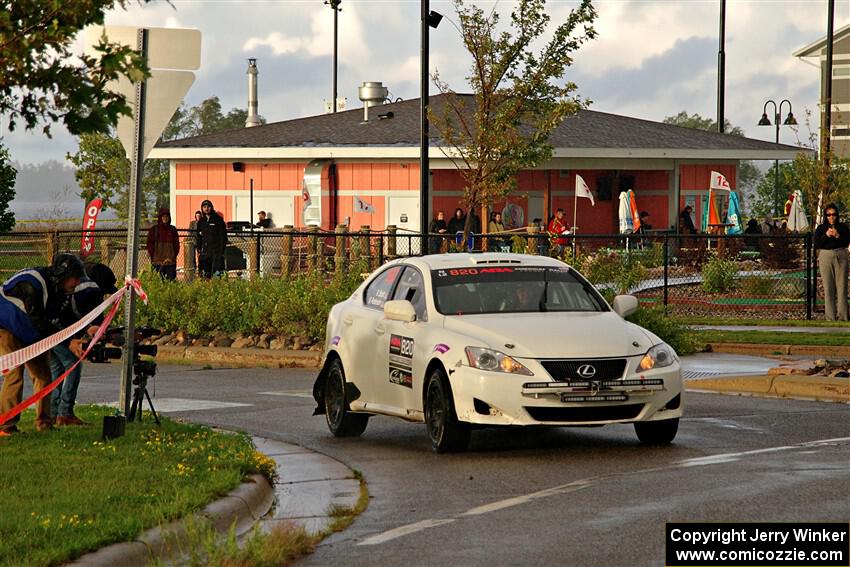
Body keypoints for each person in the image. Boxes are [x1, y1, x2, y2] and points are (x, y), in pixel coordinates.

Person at [0, 254, 86, 435]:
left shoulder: (58, 291)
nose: (77, 282)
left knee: (44, 375)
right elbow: (39, 321)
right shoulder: (32, 283)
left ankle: (44, 422)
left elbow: (60, 319)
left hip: (29, 332)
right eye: (75, 277)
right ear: (63, 275)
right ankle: (6, 426)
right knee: (15, 372)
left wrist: (85, 331)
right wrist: (68, 342)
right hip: (5, 328)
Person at [49, 263, 118, 426]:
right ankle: (65, 413)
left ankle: (52, 413)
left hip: (50, 330)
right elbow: (84, 318)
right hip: (60, 332)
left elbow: (77, 316)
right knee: (73, 365)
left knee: (56, 369)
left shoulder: (73, 289)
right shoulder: (90, 291)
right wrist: (93, 329)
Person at [813, 203, 850, 321]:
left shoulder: (843, 227)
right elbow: (817, 244)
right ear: (825, 216)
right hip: (826, 255)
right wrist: (826, 235)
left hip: (841, 254)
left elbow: (846, 242)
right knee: (828, 287)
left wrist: (838, 235)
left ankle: (843, 317)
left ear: (837, 215)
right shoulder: (821, 228)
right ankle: (830, 317)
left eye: (833, 214)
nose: (831, 217)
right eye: (828, 215)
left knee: (842, 287)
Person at [146, 208, 180, 281]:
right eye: (163, 216)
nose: (165, 218)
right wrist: (153, 255)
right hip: (157, 262)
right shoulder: (154, 229)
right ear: (160, 217)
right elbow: (149, 244)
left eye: (167, 216)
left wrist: (173, 255)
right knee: (157, 283)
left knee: (170, 283)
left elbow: (176, 245)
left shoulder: (173, 229)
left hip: (170, 262)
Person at [197, 199, 228, 278]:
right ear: (202, 208)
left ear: (211, 207)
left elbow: (223, 237)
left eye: (208, 206)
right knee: (205, 276)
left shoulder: (218, 220)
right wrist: (199, 248)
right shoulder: (201, 221)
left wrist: (221, 251)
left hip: (216, 252)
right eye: (204, 207)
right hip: (205, 252)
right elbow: (199, 236)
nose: (206, 208)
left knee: (217, 275)